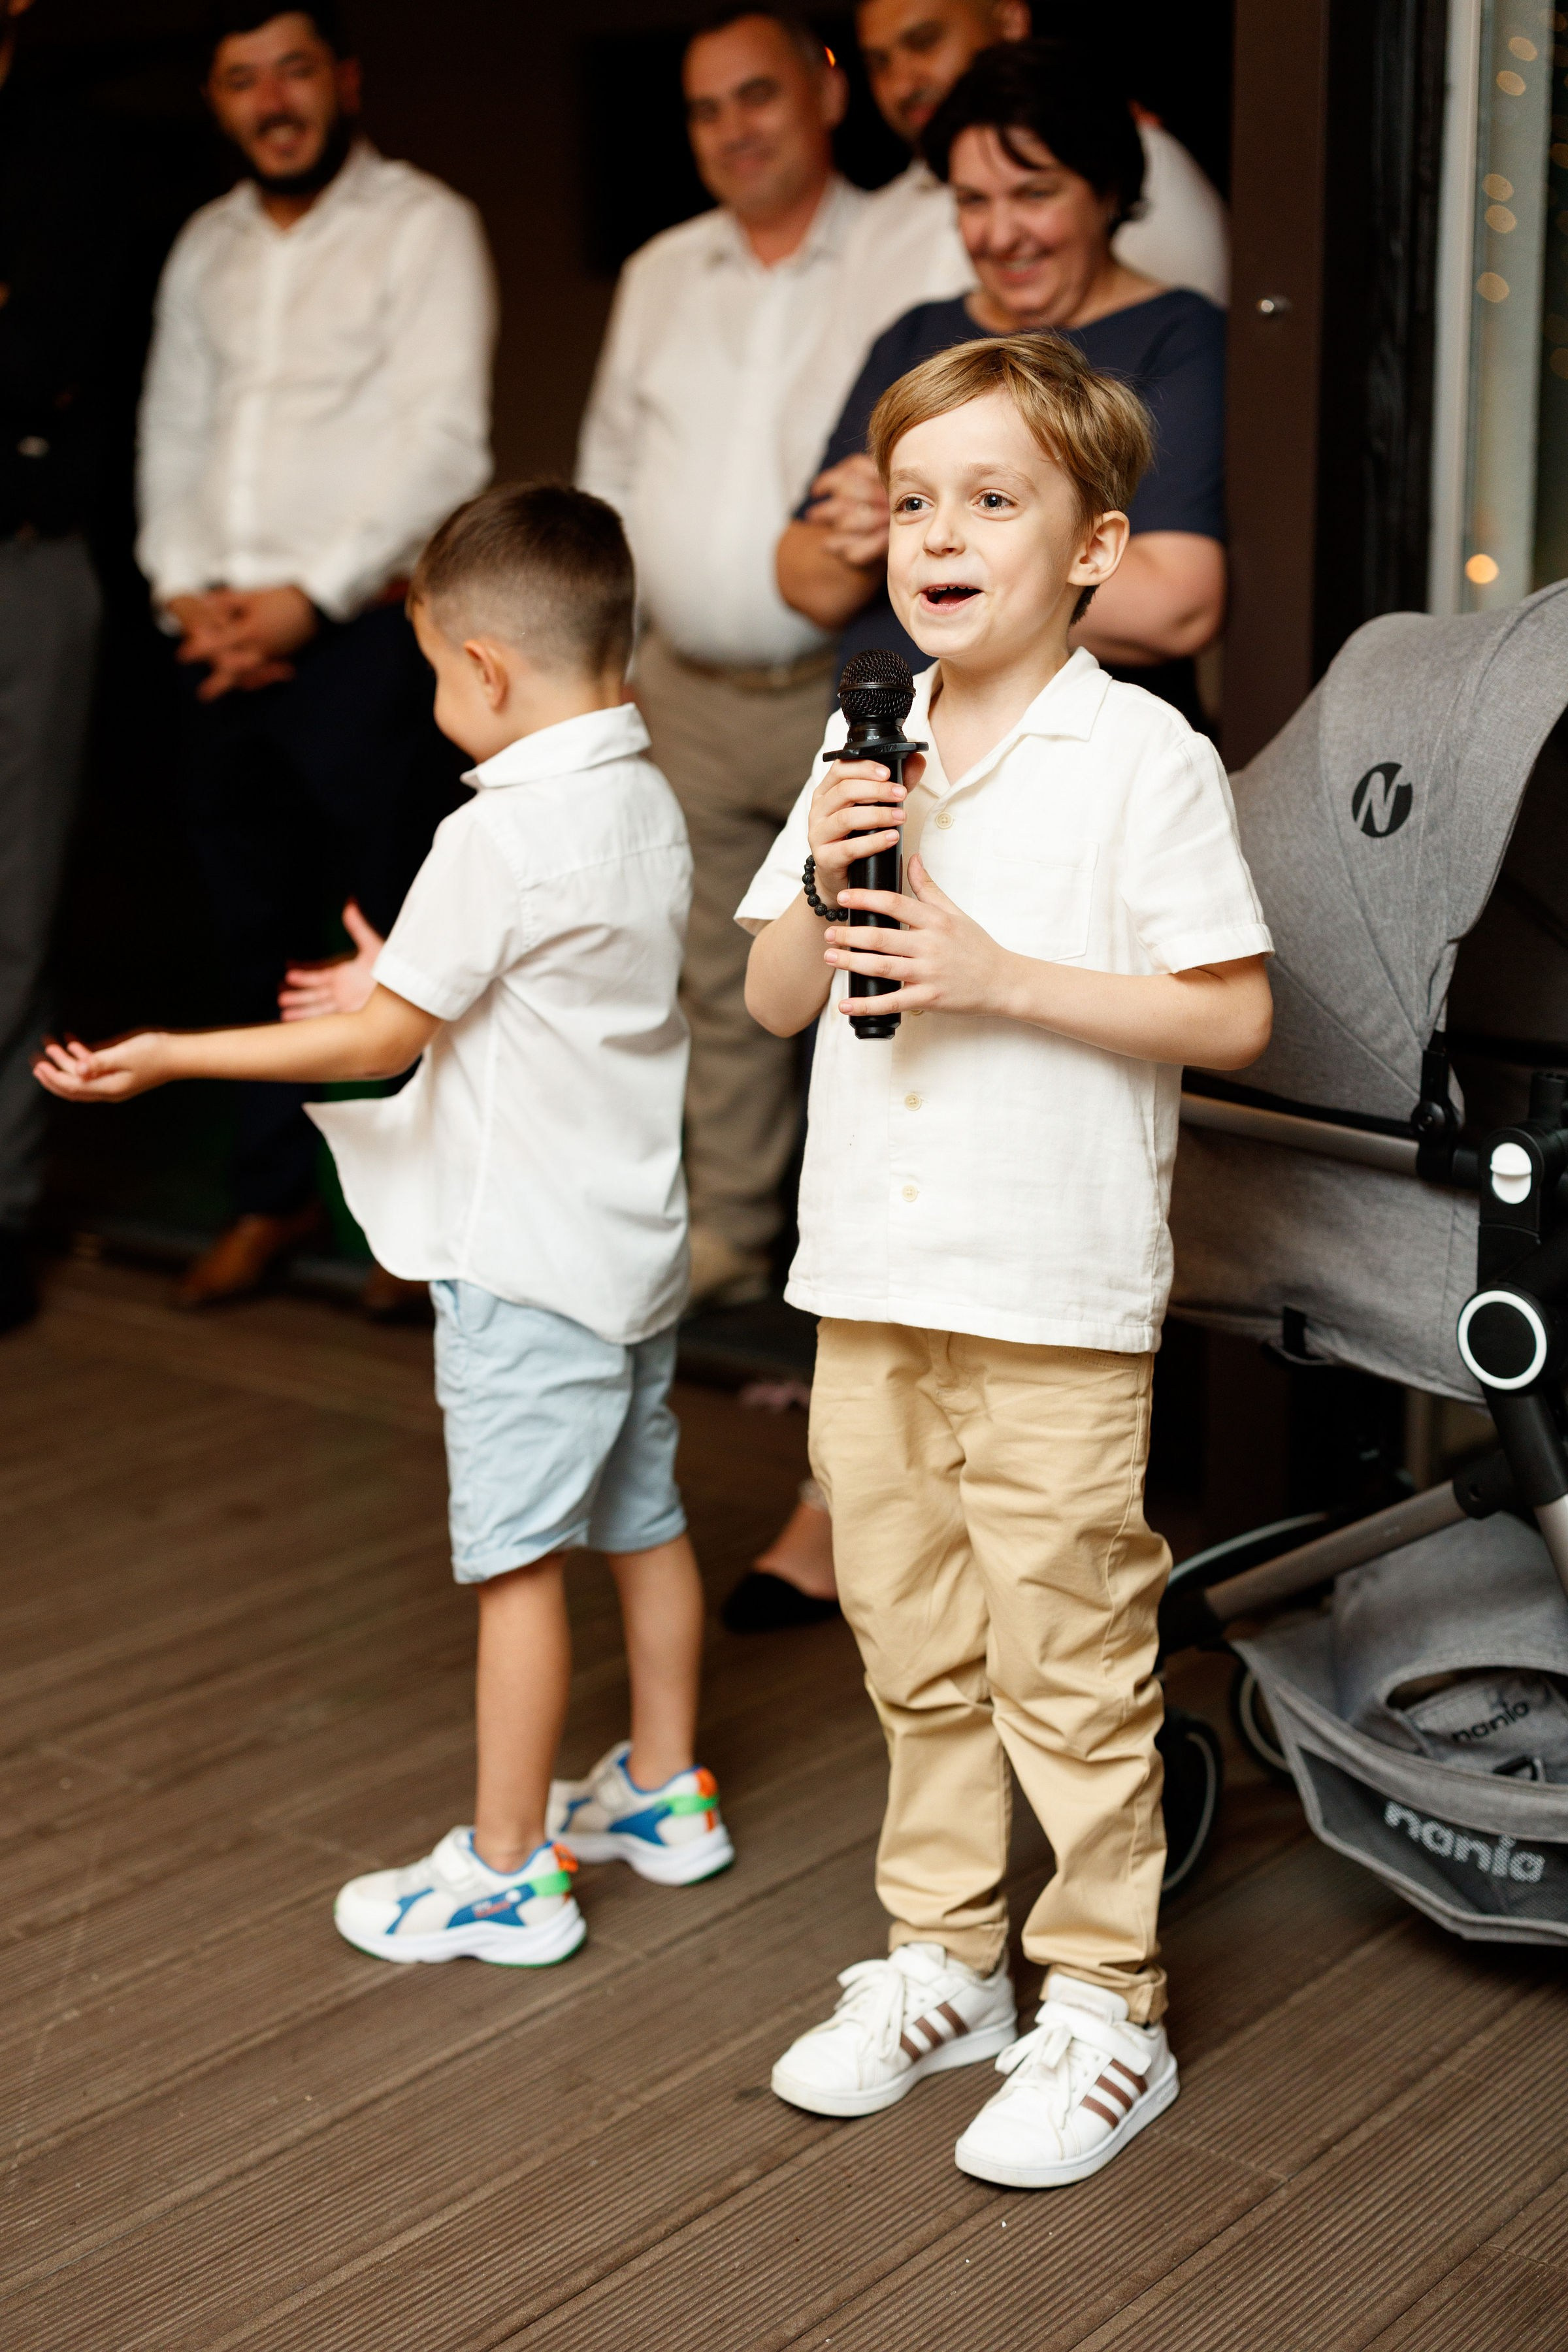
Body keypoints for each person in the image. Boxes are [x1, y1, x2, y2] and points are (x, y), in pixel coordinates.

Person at [36, 482, 733, 1965]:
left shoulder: (495, 834)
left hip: (524, 1267)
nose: (430, 699)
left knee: (517, 1564)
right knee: (646, 1518)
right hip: (630, 1246)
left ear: (482, 667)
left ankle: (504, 1872)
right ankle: (668, 1790)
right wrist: (396, 969)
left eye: (428, 671)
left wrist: (174, 1050)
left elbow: (376, 1044)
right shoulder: (642, 800)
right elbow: (530, 986)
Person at [739, 333, 1271, 2184]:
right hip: (867, 1289)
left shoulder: (1144, 754)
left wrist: (997, 977)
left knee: (1071, 1655)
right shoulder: (857, 743)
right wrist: (825, 874)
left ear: (1095, 549)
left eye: (992, 500)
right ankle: (941, 1961)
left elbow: (1233, 1017)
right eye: (913, 502)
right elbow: (770, 991)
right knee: (914, 1647)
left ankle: (1106, 1998)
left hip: (1047, 1293)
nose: (939, 535)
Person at [734, 37, 1230, 1625]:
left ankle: (1043, 1527)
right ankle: (851, 1507)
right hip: (889, 754)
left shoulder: (1171, 340)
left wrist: (937, 529)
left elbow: (1175, 590)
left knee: (1028, 1132)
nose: (1000, 228)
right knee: (875, 1109)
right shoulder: (917, 340)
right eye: (968, 200)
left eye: (1033, 191)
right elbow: (808, 572)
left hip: (1045, 767)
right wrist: (875, 537)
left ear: (1104, 190)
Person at [580, 8, 955, 1313]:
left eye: (758, 96)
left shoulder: (914, 241)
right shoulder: (661, 271)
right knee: (703, 970)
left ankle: (858, 1262)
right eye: (705, 110)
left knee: (868, 962)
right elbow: (611, 475)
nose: (734, 129)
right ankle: (731, 1234)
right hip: (679, 683)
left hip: (841, 681)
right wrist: (604, 662)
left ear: (824, 93)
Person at [137, 3, 496, 1311]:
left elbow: (445, 443)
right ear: (219, 99)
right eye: (242, 78)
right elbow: (172, 432)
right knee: (251, 935)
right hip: (217, 642)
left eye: (294, 69)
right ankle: (271, 1199)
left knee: (401, 933)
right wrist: (190, 598)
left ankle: (421, 1229)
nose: (272, 98)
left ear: (343, 80)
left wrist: (306, 601)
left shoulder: (424, 223)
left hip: (363, 638)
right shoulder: (205, 246)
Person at [0, 0, 134, 1330]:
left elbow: (41, 355)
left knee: (10, 905)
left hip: (25, 557)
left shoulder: (67, 157)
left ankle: (1, 1207)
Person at [844, 0, 1228, 325]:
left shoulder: (1135, 157)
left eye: (925, 42)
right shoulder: (879, 223)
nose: (902, 84)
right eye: (879, 63)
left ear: (1009, 21)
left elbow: (1187, 337)